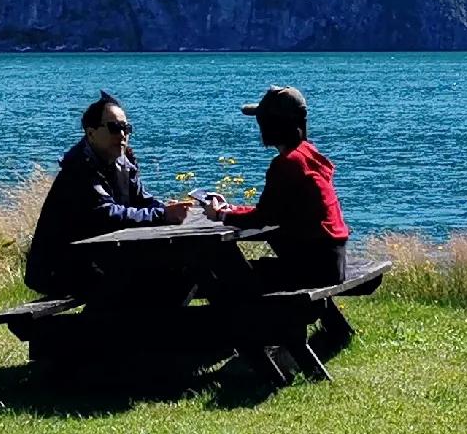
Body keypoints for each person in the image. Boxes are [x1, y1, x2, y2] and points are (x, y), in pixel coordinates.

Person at [23, 91, 191, 296]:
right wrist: (162, 215)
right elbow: (107, 214)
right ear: (91, 132)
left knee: (180, 269)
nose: (122, 135)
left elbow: (142, 201)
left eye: (126, 128)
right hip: (60, 269)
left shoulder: (122, 164)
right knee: (156, 278)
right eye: (114, 128)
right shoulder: (79, 169)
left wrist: (168, 208)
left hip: (97, 260)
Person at [204, 85, 350, 291]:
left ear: (270, 124)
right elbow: (273, 211)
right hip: (333, 261)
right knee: (236, 272)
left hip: (313, 267)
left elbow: (263, 218)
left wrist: (222, 216)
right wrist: (231, 209)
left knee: (221, 277)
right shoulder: (308, 154)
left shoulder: (287, 163)